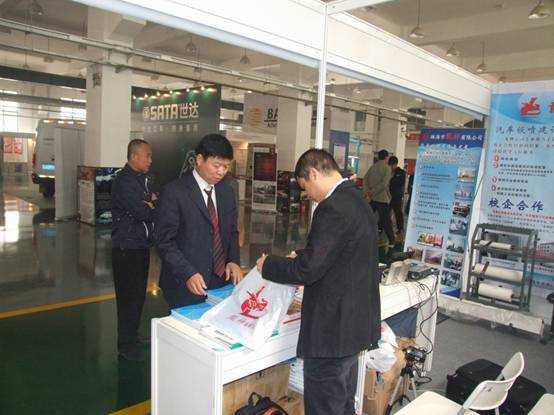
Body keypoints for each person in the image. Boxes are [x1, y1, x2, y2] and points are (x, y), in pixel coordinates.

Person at [256, 149, 381, 415]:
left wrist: (269, 265)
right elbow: (340, 252)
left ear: (313, 174)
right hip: (354, 326)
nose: (308, 195)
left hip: (332, 333)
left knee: (325, 406)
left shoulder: (332, 207)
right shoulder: (356, 199)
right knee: (343, 404)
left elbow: (308, 270)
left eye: (305, 188)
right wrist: (304, 255)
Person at [154, 134, 243, 308]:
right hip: (185, 283)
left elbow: (231, 231)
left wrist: (233, 260)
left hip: (220, 281)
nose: (221, 171)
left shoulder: (226, 192)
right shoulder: (174, 192)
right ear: (199, 160)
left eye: (226, 166)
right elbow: (164, 241)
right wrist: (187, 273)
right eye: (216, 165)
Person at [111, 139, 156, 362]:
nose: (150, 160)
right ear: (134, 156)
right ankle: (125, 346)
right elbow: (142, 212)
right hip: (126, 248)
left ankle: (132, 336)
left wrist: (150, 202)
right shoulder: (124, 181)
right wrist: (151, 205)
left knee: (138, 296)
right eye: (147, 156)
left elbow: (150, 203)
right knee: (128, 298)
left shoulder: (140, 180)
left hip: (140, 246)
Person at [363, 149, 396, 247]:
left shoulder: (373, 167)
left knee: (366, 218)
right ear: (386, 157)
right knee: (386, 221)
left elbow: (365, 179)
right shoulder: (387, 168)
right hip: (382, 199)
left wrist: (368, 192)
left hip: (372, 199)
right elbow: (384, 184)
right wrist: (373, 192)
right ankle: (391, 241)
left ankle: (362, 237)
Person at [388, 156, 406, 236]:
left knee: (398, 212)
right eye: (390, 165)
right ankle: (386, 227)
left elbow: (400, 183)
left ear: (395, 164)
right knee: (386, 212)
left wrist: (391, 179)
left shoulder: (401, 172)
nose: (391, 167)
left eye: (392, 165)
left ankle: (400, 229)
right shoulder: (388, 171)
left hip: (397, 196)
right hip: (388, 196)